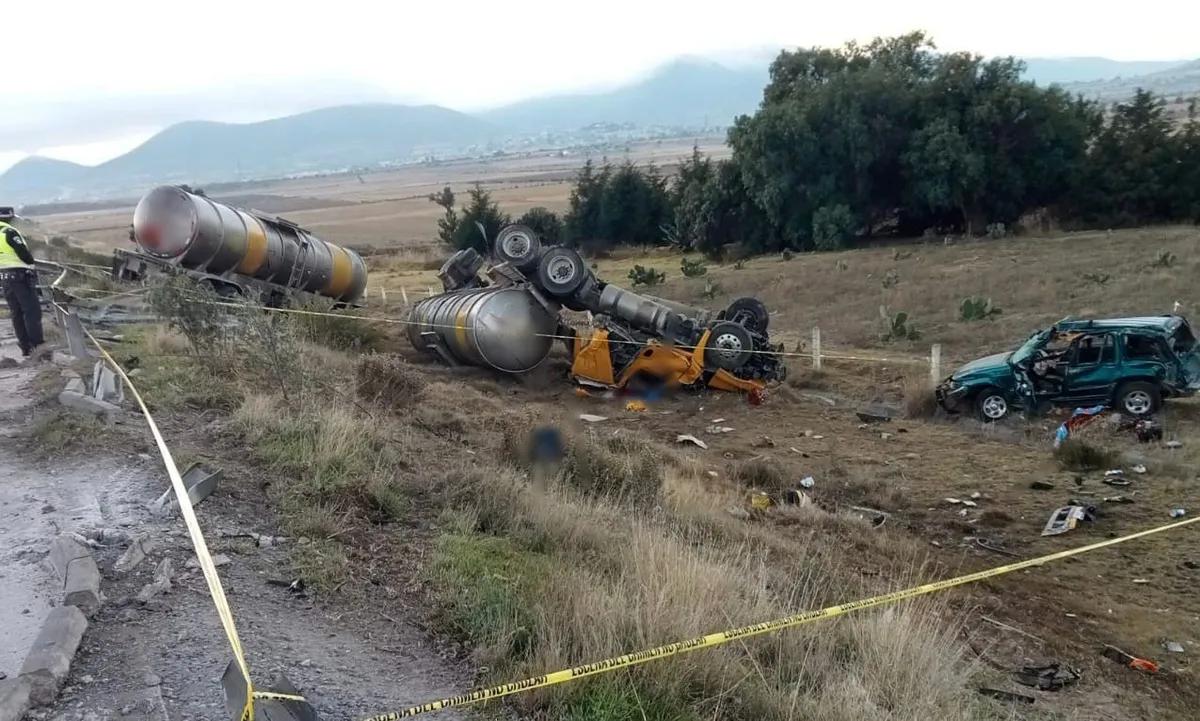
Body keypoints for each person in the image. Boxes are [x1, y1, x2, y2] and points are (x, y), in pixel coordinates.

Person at [0, 217, 45, 358]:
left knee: (16, 312)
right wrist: (31, 264)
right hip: (20, 275)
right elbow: (22, 251)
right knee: (31, 311)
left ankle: (26, 348)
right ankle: (38, 347)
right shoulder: (8, 232)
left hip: (4, 276)